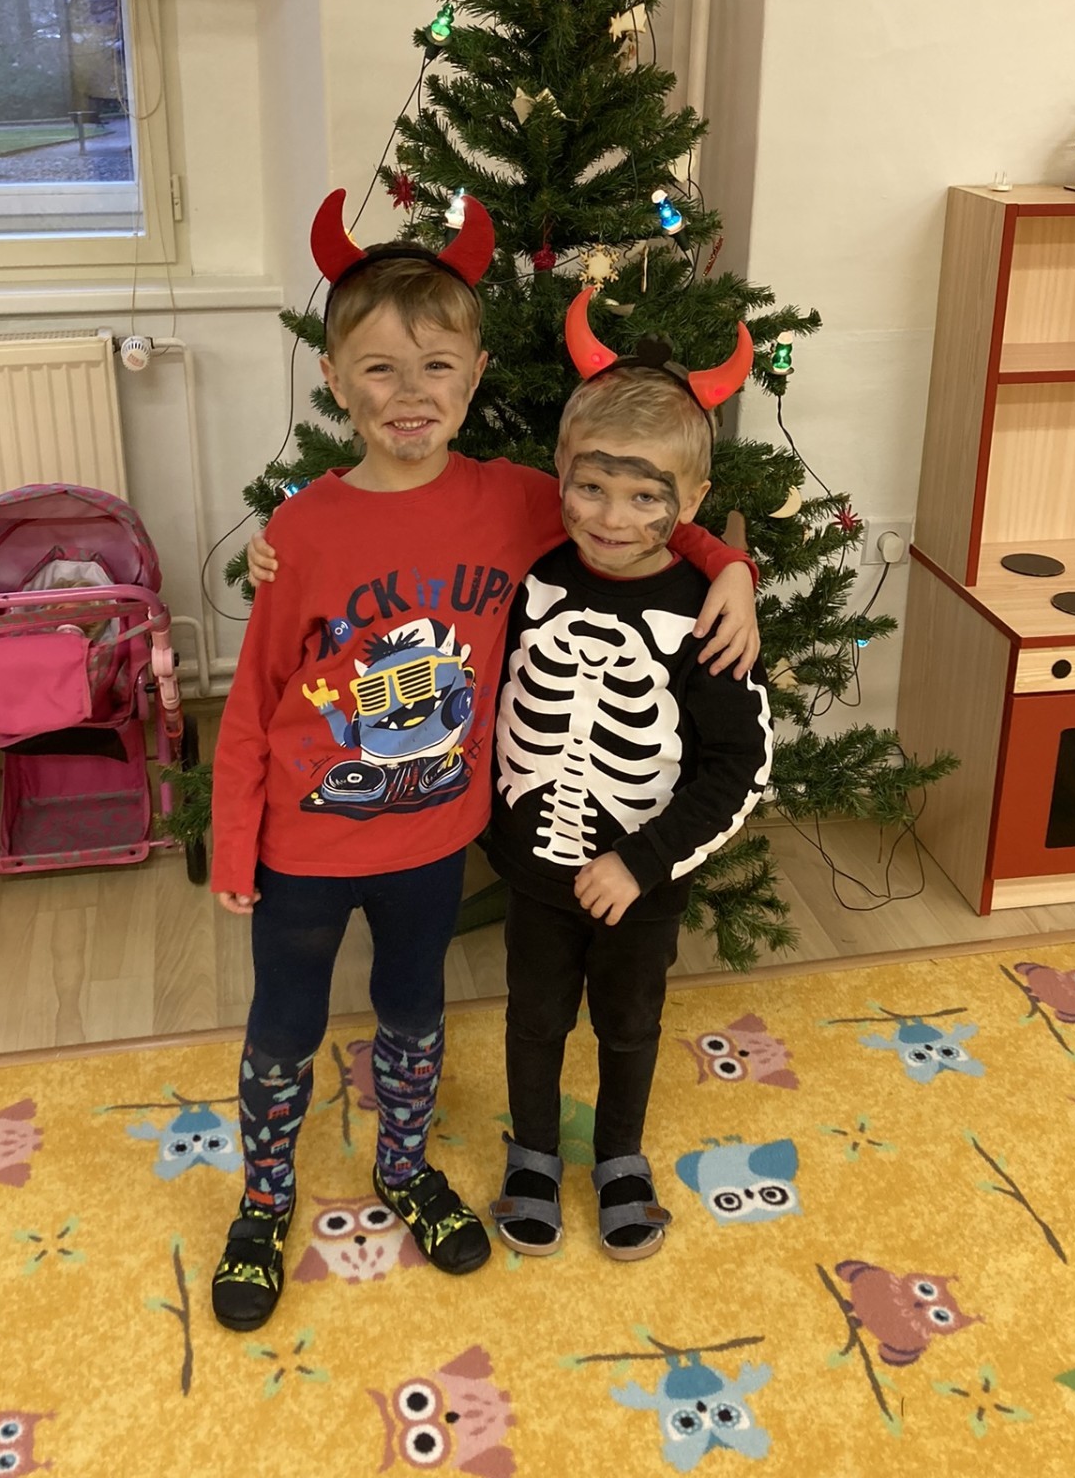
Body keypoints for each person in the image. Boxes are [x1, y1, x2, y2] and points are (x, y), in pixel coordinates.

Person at [210, 192, 760, 1332]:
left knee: (414, 1013)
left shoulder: (519, 500)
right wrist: (232, 843)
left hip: (434, 836)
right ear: (333, 380)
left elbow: (642, 506)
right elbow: (255, 698)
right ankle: (262, 1203)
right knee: (285, 1024)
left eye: (436, 368)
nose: (409, 394)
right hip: (304, 842)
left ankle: (406, 1169)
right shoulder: (300, 530)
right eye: (379, 369)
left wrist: (732, 568)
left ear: (475, 376)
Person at [486, 291, 774, 1262]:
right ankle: (532, 1151)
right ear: (559, 476)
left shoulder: (708, 614)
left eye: (647, 497)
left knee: (629, 1023)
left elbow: (741, 766)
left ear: (690, 503)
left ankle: (619, 1157)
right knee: (533, 1019)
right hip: (533, 872)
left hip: (642, 884)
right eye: (593, 487)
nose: (613, 518)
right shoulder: (528, 576)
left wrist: (643, 862)